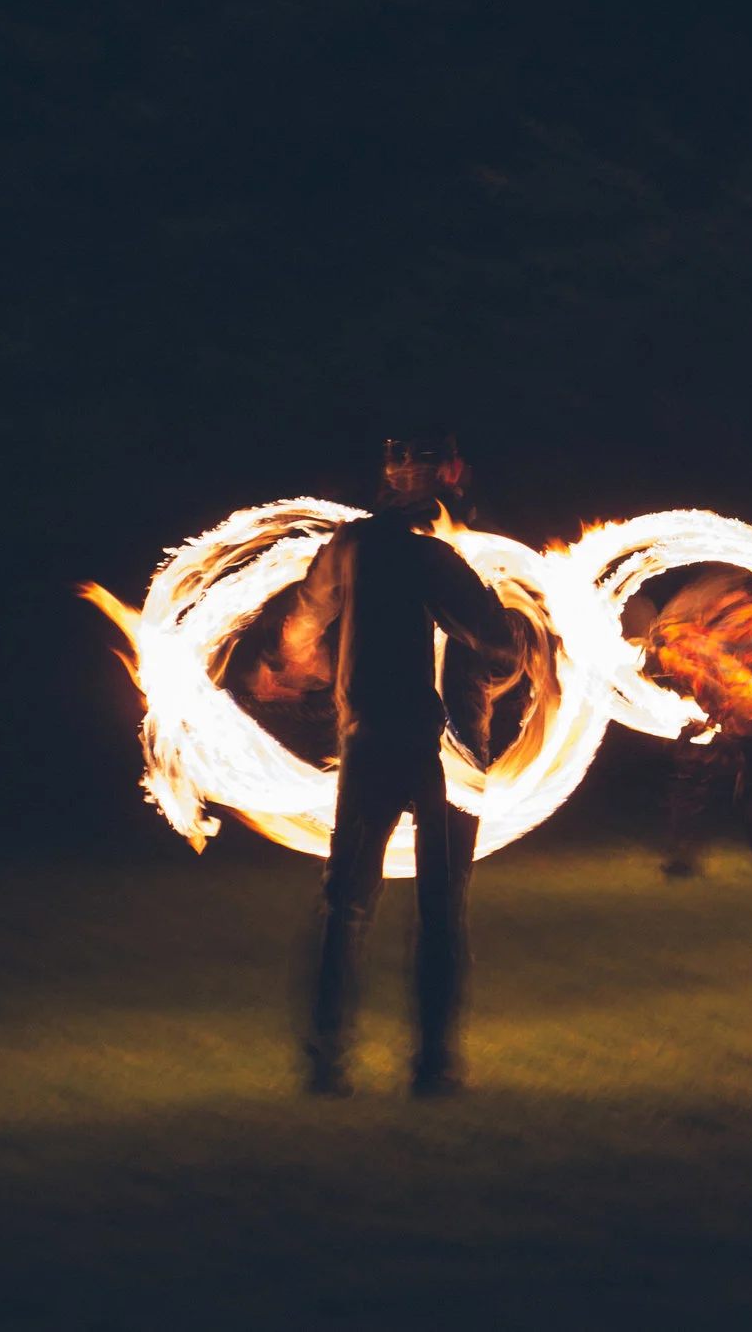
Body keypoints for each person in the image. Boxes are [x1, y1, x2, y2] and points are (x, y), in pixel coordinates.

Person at [262, 435, 519, 1097]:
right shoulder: (439, 559)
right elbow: (502, 644)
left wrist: (295, 665)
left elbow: (304, 622)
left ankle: (327, 1060)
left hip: (372, 738)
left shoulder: (350, 547)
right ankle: (434, 1064)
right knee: (440, 906)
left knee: (346, 899)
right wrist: (483, 655)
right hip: (447, 752)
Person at [637, 568, 752, 877]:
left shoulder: (695, 652)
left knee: (725, 786)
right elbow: (719, 691)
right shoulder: (708, 639)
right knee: (707, 785)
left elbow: (730, 693)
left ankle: (689, 860)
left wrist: (714, 724)